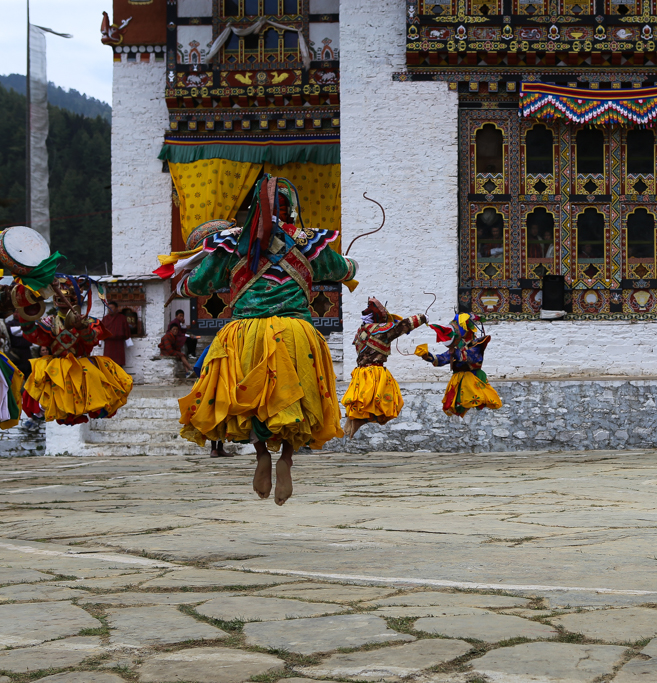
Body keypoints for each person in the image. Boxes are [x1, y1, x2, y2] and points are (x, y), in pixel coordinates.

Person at [175, 175, 358, 505]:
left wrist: (186, 282)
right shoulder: (308, 241)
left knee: (252, 399)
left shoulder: (231, 245)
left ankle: (261, 453)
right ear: (291, 210)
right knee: (296, 401)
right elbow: (341, 270)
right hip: (296, 334)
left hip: (246, 335)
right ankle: (286, 459)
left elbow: (196, 285)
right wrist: (351, 264)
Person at [16, 275, 133, 425]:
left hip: (81, 363)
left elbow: (93, 339)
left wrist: (82, 327)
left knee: (93, 379)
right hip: (57, 365)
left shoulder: (90, 321)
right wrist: (25, 310)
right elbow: (33, 335)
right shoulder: (50, 322)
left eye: (70, 298)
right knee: (41, 381)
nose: (64, 302)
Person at [342, 297, 427, 438]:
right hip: (374, 373)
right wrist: (422, 317)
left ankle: (352, 419)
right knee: (383, 404)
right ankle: (358, 421)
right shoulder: (380, 331)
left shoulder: (361, 332)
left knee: (360, 400)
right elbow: (402, 326)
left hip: (360, 372)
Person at [415, 313, 502, 418]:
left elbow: (469, 357)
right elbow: (442, 359)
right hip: (457, 380)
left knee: (474, 400)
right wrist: (427, 356)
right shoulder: (456, 346)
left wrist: (454, 349)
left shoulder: (477, 344)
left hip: (472, 378)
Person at [101, 301, 131, 367]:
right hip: (108, 343)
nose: (110, 309)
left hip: (119, 343)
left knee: (118, 363)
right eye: (108, 308)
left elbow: (126, 329)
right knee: (107, 363)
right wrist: (99, 340)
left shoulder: (122, 318)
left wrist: (128, 340)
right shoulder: (105, 318)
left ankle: (119, 376)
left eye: (112, 308)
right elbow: (101, 330)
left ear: (117, 308)